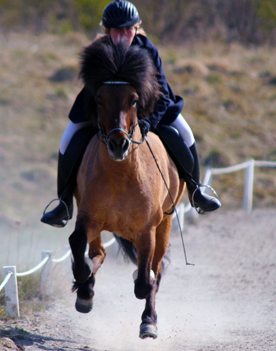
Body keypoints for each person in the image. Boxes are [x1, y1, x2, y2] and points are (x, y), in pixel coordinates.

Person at [41, 0, 221, 228]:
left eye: (129, 28)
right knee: (68, 138)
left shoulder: (147, 49)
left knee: (185, 132)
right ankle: (63, 203)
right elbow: (92, 90)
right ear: (108, 31)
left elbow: (162, 93)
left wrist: (147, 122)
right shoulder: (99, 51)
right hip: (106, 113)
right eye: (119, 29)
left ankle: (196, 192)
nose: (125, 34)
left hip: (152, 108)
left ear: (136, 28)